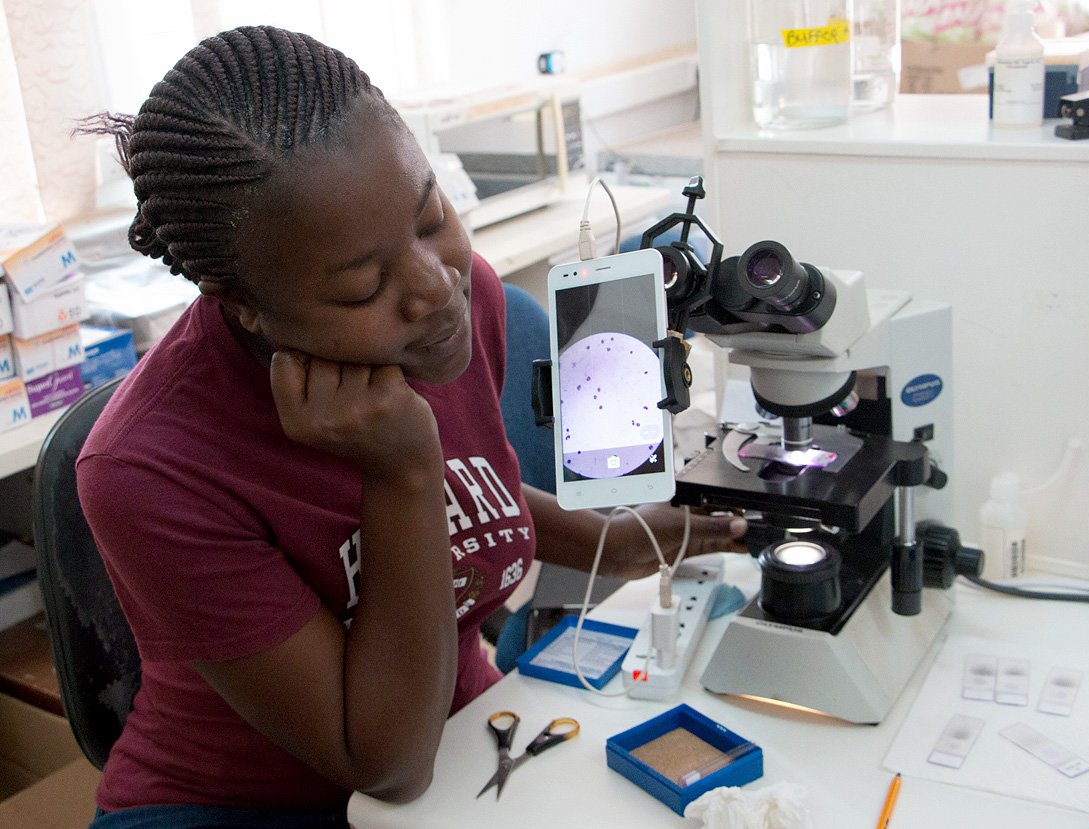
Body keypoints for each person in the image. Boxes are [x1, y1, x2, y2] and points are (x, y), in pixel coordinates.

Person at [75, 25, 747, 828]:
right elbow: (384, 765)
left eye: (431, 219)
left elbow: (475, 500)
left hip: (458, 740)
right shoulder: (148, 466)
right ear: (243, 302)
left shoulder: (462, 306)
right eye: (363, 287)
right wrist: (401, 471)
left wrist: (619, 539)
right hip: (247, 800)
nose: (438, 287)